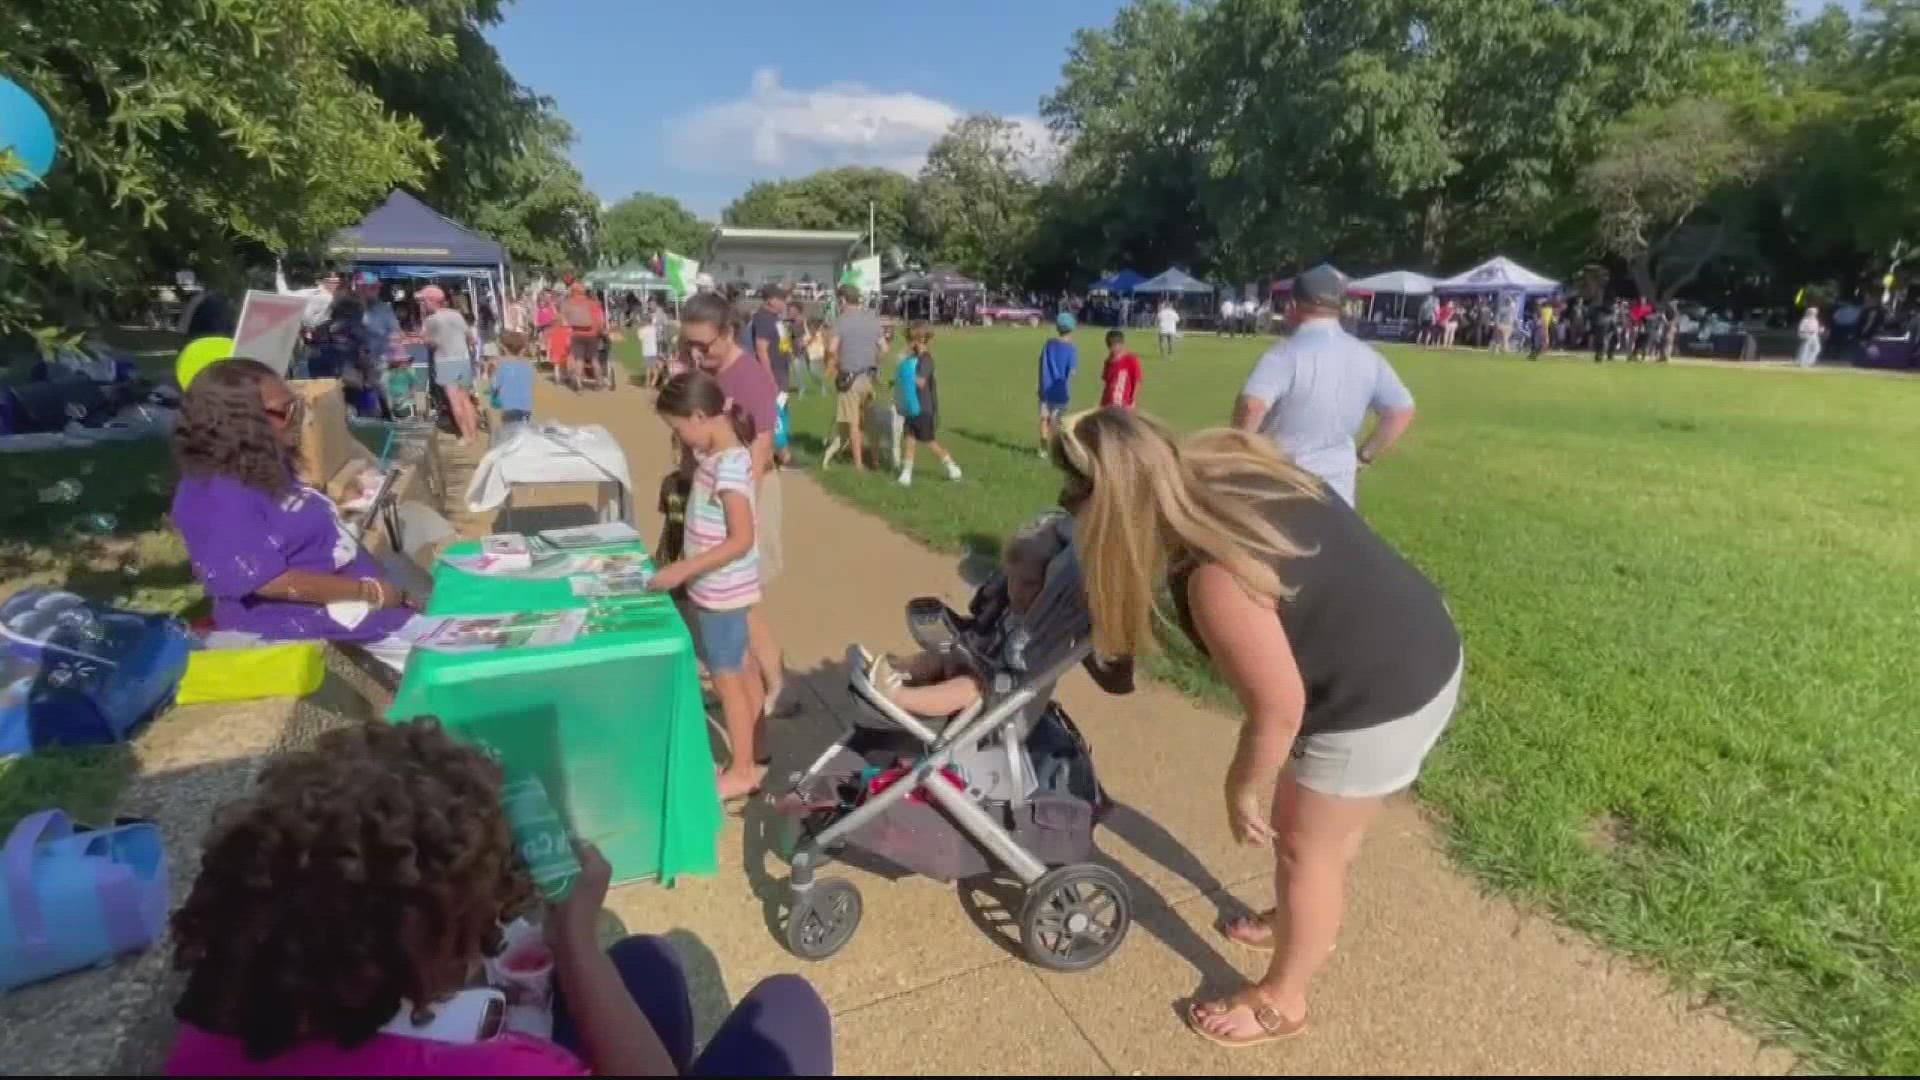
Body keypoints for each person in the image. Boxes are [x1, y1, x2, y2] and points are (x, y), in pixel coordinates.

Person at [1048, 408, 1462, 1051]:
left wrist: (1242, 790)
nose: (1067, 505)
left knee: (1302, 847)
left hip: (1379, 698)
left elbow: (1278, 712)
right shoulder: (1226, 465)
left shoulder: (1214, 576)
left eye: (1075, 495)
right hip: (1418, 642)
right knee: (1322, 834)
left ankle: (1282, 999)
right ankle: (1300, 917)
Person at [164, 719, 833, 1076]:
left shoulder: (211, 1028)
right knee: (790, 1008)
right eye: (479, 927)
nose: (493, 931)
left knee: (648, 967)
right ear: (420, 952)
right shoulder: (502, 1067)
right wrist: (573, 940)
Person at [170, 359, 432, 672]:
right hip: (297, 623)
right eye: (285, 411)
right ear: (236, 424)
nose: (298, 419)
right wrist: (370, 592)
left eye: (297, 406)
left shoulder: (259, 466)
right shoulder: (213, 495)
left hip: (369, 608)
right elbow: (266, 580)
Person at [649, 373, 768, 801]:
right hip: (720, 588)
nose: (680, 439)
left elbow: (741, 538)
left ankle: (741, 770)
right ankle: (754, 752)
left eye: (679, 430)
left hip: (722, 591)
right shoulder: (716, 458)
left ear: (700, 416)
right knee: (742, 668)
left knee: (727, 679)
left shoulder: (729, 467)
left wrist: (684, 569)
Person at [679, 294, 795, 723]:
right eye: (689, 344)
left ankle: (774, 685)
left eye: (704, 345)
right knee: (738, 603)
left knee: (743, 600)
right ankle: (748, 681)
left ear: (727, 333)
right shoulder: (708, 370)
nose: (696, 353)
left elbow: (761, 448)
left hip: (746, 496)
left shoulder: (749, 376)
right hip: (719, 494)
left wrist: (739, 511)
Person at [1232, 265, 1415, 507]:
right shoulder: (1368, 356)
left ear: (1293, 306)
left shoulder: (1284, 355)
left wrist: (1239, 453)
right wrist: (1363, 456)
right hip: (1339, 490)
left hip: (1282, 484)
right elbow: (1401, 411)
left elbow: (1252, 406)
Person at [865, 520, 1063, 716]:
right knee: (941, 654)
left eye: (1030, 584)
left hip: (994, 690)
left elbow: (1020, 668)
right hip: (975, 661)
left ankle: (898, 696)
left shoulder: (1039, 629)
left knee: (967, 689)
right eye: (1013, 578)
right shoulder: (1008, 608)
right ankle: (899, 670)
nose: (1018, 589)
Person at [894, 322, 962, 487]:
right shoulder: (914, 358)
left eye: (911, 340)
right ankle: (906, 474)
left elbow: (921, 382)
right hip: (912, 406)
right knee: (909, 439)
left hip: (923, 408)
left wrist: (905, 373)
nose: (909, 343)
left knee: (929, 441)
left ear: (919, 340)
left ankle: (952, 467)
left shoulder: (926, 360)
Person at [824, 284, 883, 471]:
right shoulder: (872, 319)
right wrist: (875, 362)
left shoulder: (841, 321)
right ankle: (875, 461)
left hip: (850, 379)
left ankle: (858, 465)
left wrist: (838, 363)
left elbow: (832, 349)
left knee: (854, 424)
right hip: (870, 377)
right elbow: (885, 348)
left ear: (842, 300)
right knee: (871, 423)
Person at [421, 285, 481, 444]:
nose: (423, 304)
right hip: (463, 359)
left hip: (445, 361)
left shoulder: (430, 321)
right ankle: (473, 435)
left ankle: (465, 435)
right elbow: (471, 338)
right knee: (466, 400)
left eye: (424, 300)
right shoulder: (456, 315)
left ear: (430, 301)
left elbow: (428, 343)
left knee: (455, 401)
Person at [748, 286, 794, 467]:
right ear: (770, 300)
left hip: (781, 371)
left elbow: (780, 344)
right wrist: (769, 378)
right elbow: (761, 349)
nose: (784, 302)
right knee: (776, 416)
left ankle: (771, 454)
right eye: (780, 299)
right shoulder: (764, 319)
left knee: (782, 413)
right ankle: (783, 455)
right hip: (773, 373)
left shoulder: (775, 319)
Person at [1037, 312, 1078, 456]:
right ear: (1072, 329)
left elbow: (1041, 361)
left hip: (1044, 390)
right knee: (1057, 421)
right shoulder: (1071, 349)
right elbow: (1072, 371)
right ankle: (1057, 449)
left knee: (1044, 419)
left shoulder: (1048, 344)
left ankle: (1043, 449)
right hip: (1060, 391)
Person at [561, 282, 607, 392]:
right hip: (592, 335)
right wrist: (601, 332)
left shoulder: (568, 303)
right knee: (594, 359)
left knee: (579, 360)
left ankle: (579, 384)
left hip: (576, 334)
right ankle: (599, 383)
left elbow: (563, 321)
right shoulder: (592, 303)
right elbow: (601, 321)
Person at [490, 329, 536, 427]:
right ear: (522, 349)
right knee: (523, 432)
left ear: (504, 348)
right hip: (526, 407)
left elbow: (494, 386)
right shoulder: (528, 365)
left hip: (509, 407)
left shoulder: (501, 366)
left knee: (510, 434)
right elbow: (529, 382)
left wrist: (492, 371)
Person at [1100, 329, 1142, 409]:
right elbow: (1107, 384)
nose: (1111, 349)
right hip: (1108, 403)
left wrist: (1133, 400)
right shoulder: (1108, 361)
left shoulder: (1130, 359)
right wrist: (1102, 402)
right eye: (1109, 346)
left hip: (1124, 404)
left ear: (1121, 344)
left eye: (1113, 346)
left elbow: (1137, 381)